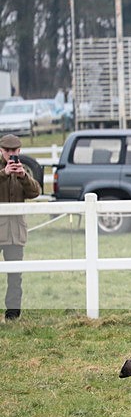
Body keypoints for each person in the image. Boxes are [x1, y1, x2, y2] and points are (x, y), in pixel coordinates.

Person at [0, 134, 41, 321]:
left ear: (19, 151)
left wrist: (22, 176)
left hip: (16, 232)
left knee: (15, 276)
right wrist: (4, 174)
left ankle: (13, 314)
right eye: (7, 151)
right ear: (1, 151)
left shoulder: (23, 170)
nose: (10, 154)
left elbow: (35, 192)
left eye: (14, 151)